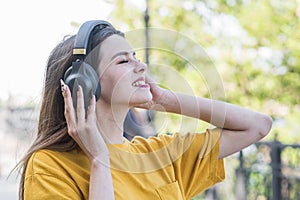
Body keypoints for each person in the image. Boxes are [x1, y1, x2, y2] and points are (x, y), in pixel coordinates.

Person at [16, 20, 272, 200]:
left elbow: (257, 125)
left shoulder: (159, 154)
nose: (141, 66)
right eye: (124, 60)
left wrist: (167, 100)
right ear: (85, 82)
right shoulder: (50, 166)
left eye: (136, 56)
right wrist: (99, 161)